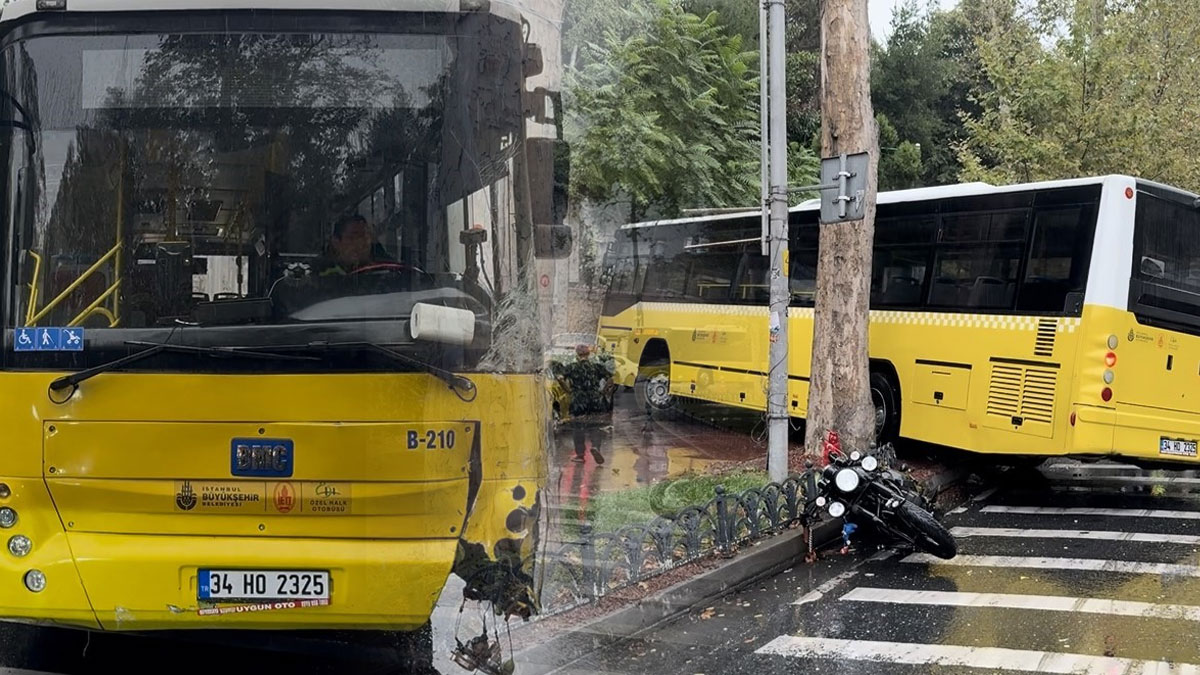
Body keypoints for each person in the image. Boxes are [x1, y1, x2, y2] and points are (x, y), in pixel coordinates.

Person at [558, 344, 615, 464]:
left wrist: (568, 390)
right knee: (595, 425)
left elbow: (560, 378)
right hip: (595, 398)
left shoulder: (572, 367)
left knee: (578, 426)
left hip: (578, 399)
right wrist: (603, 391)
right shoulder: (596, 367)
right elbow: (610, 379)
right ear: (589, 354)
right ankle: (596, 447)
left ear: (577, 354)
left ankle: (580, 455)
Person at [315, 214, 394, 276]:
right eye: (353, 238)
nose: (361, 244)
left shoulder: (387, 269)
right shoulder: (320, 274)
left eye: (366, 237)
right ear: (336, 242)